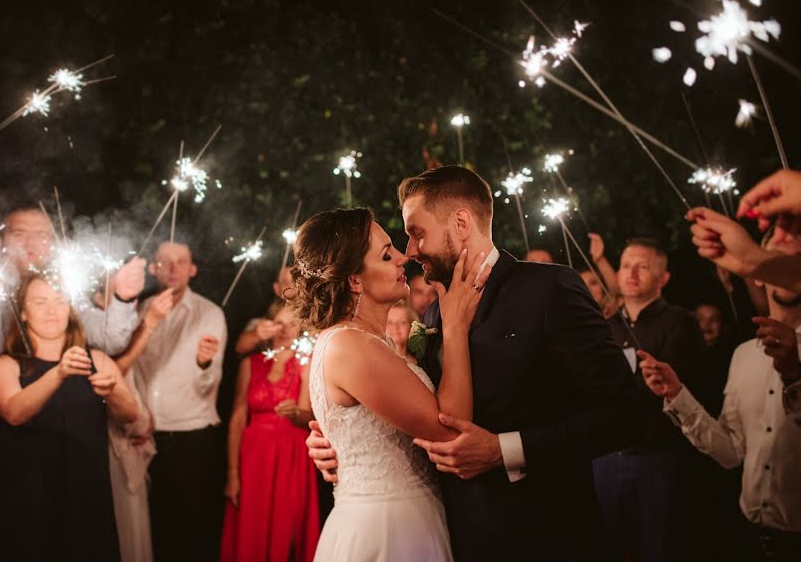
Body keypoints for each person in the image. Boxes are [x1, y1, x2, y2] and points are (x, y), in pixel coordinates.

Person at [308, 166, 641, 561]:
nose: (410, 252)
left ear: (461, 222)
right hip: (448, 537)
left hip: (545, 539)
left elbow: (627, 414)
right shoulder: (433, 319)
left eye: (417, 233)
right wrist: (339, 442)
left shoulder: (549, 290)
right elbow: (417, 413)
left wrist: (505, 450)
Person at [0, 128, 145, 559]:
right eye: (21, 234)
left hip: (45, 457)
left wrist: (121, 297)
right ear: (1, 239)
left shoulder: (60, 295)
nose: (32, 244)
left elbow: (110, 339)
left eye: (42, 236)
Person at [293, 206, 487, 561]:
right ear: (354, 279)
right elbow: (452, 432)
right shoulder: (352, 345)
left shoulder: (364, 341)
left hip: (397, 515)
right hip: (389, 528)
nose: (403, 258)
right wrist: (455, 326)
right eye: (387, 255)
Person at [640, 227, 801, 561]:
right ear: (758, 273)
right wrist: (678, 395)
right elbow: (731, 453)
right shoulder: (744, 355)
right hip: (746, 536)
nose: (783, 266)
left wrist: (794, 374)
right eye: (774, 255)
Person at [0, 274, 137, 561]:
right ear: (24, 313)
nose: (52, 310)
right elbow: (14, 413)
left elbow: (130, 416)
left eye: (59, 301)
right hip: (27, 497)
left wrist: (114, 391)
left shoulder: (97, 360)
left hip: (86, 495)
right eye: (41, 302)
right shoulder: (5, 364)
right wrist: (58, 373)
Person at [593, 238, 706, 562]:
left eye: (643, 267)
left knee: (660, 547)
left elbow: (677, 388)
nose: (631, 273)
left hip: (657, 456)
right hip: (605, 457)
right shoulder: (605, 327)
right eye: (626, 265)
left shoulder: (679, 322)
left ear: (662, 278)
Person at [133, 240, 228, 561]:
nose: (173, 268)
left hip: (191, 438)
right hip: (142, 438)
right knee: (149, 532)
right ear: (153, 267)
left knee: (190, 533)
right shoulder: (139, 310)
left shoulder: (209, 313)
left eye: (181, 261)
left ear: (192, 269)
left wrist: (203, 363)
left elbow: (209, 383)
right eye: (165, 261)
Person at [221, 304, 320, 562]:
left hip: (290, 455)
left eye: (292, 324)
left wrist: (296, 414)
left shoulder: (305, 364)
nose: (285, 329)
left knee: (288, 527)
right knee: (252, 527)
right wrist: (233, 473)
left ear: (301, 329)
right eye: (279, 323)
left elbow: (310, 417)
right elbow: (238, 417)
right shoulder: (251, 363)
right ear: (268, 326)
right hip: (254, 457)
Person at [107, 287, 176, 562]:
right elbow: (114, 372)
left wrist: (144, 414)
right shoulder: (96, 325)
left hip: (132, 436)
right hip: (108, 444)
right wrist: (151, 323)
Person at [235, 266, 294, 356]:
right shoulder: (261, 322)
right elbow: (240, 348)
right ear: (277, 288)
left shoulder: (316, 323)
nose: (292, 287)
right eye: (286, 282)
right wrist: (256, 334)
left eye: (296, 282)